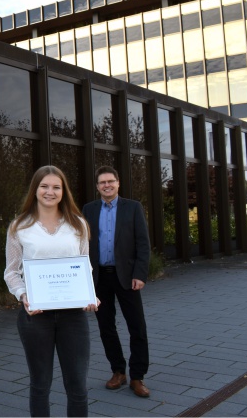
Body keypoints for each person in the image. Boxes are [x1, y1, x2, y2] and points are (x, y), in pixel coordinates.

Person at [4, 166, 99, 417]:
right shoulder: (19, 227)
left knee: (78, 385)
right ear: (35, 190)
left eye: (56, 187)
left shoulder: (78, 224)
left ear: (63, 191)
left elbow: (84, 265)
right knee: (40, 384)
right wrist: (24, 295)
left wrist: (90, 294)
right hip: (36, 316)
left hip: (73, 316)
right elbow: (11, 272)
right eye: (44, 186)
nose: (50, 191)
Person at [82, 166, 151, 398]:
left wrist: (140, 274)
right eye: (102, 182)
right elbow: (83, 245)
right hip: (99, 277)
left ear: (118, 183)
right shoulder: (89, 210)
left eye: (111, 181)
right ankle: (118, 371)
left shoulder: (133, 208)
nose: (107, 185)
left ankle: (137, 377)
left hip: (127, 277)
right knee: (106, 327)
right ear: (97, 186)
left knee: (137, 327)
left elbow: (143, 243)